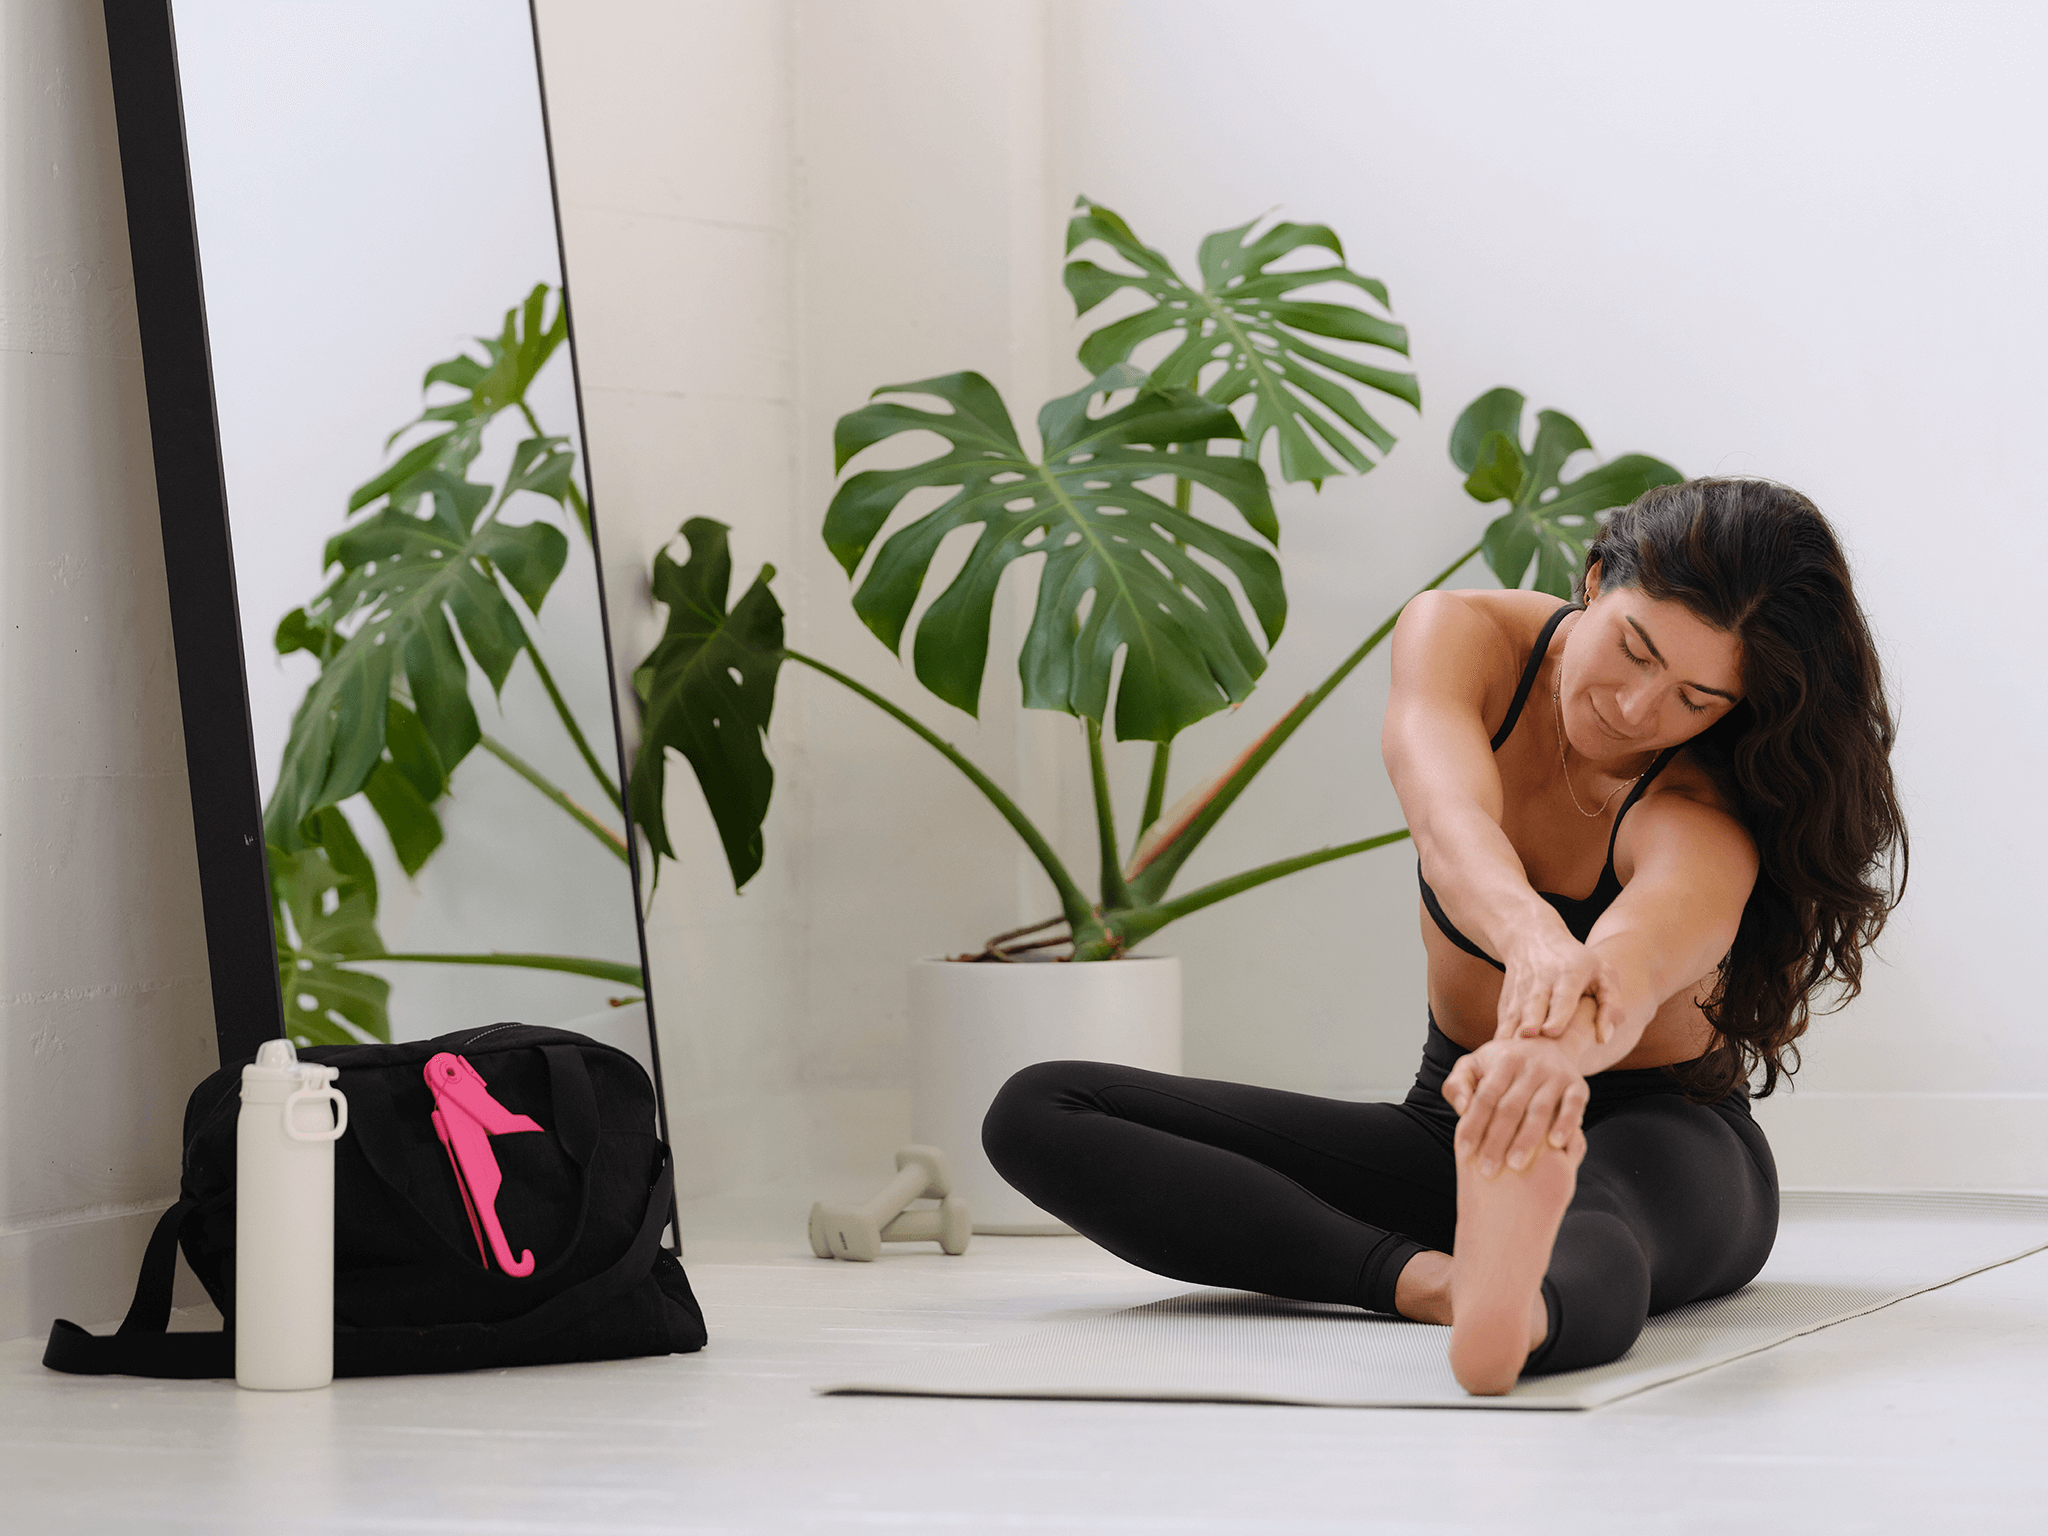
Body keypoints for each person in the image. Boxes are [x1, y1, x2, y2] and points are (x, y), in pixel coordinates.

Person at [981, 478, 1908, 1394]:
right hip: (1453, 1125)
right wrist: (1536, 940)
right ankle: (1437, 1284)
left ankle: (1520, 1319)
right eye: (1634, 651)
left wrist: (1552, 1054)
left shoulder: (1700, 803)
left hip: (1672, 1136)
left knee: (1600, 1223)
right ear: (1594, 578)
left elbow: (1638, 958)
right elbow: (1449, 822)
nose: (1637, 709)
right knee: (1041, 1108)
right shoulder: (1463, 636)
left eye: (1696, 698)